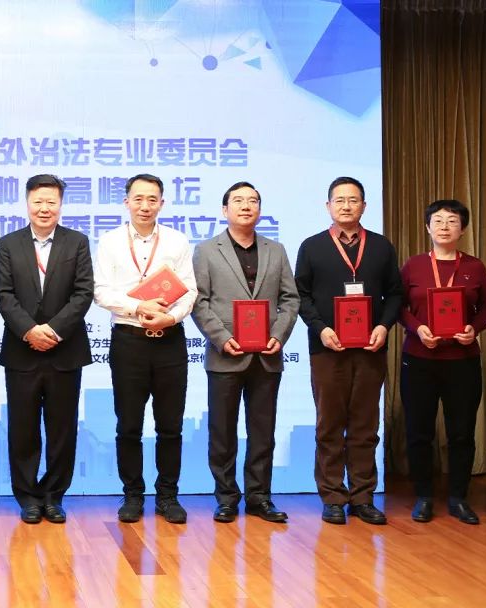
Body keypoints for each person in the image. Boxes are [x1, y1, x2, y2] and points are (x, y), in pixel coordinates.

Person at [295, 176, 402, 525]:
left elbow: (395, 293)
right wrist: (321, 329)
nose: (346, 206)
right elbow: (301, 295)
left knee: (365, 424)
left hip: (371, 348)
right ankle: (332, 497)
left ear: (364, 206)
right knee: (329, 424)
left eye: (353, 200)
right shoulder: (312, 247)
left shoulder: (382, 246)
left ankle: (362, 496)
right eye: (339, 200)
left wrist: (383, 326)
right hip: (328, 348)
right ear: (328, 206)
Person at [191, 182, 299, 523]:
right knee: (222, 432)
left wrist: (279, 335)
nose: (246, 206)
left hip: (266, 355)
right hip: (225, 354)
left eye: (252, 200)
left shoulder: (276, 250)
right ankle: (226, 498)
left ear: (260, 210)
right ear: (225, 210)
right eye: (238, 201)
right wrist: (221, 338)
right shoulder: (207, 250)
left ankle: (259, 497)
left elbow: (290, 299)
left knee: (263, 432)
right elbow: (199, 301)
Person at [93, 173, 197, 524]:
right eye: (138, 199)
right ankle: (132, 495)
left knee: (171, 425)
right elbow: (101, 291)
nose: (145, 206)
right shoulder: (110, 241)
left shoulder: (177, 240)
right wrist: (139, 307)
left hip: (170, 340)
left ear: (161, 203)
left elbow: (190, 290)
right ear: (126, 202)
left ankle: (168, 496)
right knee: (129, 425)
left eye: (152, 199)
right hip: (129, 340)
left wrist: (170, 318)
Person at [0, 174, 94, 524]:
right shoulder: (9, 243)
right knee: (22, 428)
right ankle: (27, 497)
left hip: (64, 350)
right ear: (27, 203)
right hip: (22, 351)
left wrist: (52, 330)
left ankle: (54, 496)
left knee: (61, 429)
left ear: (60, 205)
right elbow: (4, 294)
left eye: (51, 202)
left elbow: (83, 293)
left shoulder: (77, 242)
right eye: (38, 201)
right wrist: (29, 331)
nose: (44, 208)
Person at [399, 199, 486, 525]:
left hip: (462, 361)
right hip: (419, 359)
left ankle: (458, 498)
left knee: (461, 432)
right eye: (438, 220)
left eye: (452, 221)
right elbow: (399, 307)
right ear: (427, 227)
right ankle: (424, 496)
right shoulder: (413, 266)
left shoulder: (474, 267)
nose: (444, 226)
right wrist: (417, 329)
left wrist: (473, 329)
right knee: (419, 432)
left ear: (462, 229)